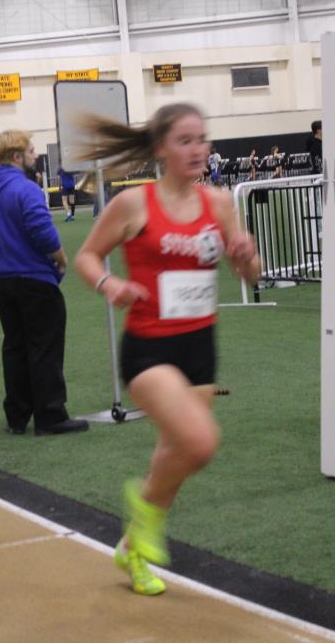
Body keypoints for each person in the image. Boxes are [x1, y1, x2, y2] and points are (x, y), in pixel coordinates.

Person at [72, 103, 261, 597]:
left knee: (176, 453)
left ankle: (133, 547)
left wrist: (246, 257)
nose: (198, 150)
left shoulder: (220, 202)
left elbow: (249, 271)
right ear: (161, 149)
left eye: (203, 139)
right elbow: (87, 256)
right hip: (148, 348)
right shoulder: (133, 205)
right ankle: (143, 513)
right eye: (185, 141)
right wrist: (110, 284)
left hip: (200, 346)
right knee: (199, 444)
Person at [0, 129, 88, 438]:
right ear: (17, 157)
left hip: (2, 281)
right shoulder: (25, 189)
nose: (35, 156)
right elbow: (42, 230)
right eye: (31, 151)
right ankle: (50, 415)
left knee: (15, 348)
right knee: (44, 347)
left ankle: (17, 417)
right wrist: (61, 258)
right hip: (35, 281)